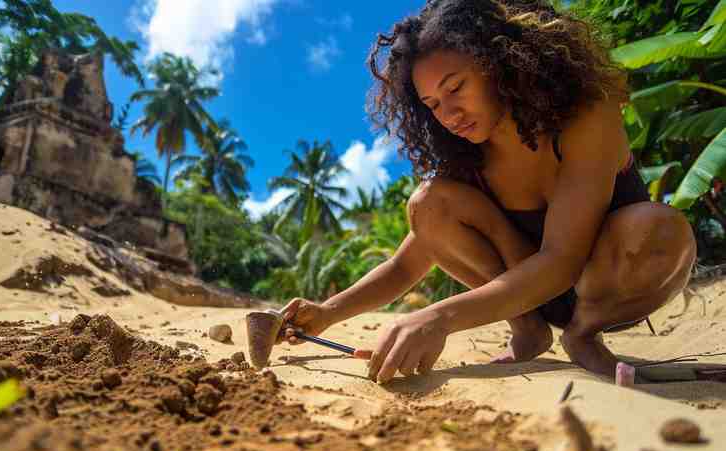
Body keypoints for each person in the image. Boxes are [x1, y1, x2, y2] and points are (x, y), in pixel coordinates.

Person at [278, 0, 697, 384]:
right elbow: (407, 267)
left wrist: (440, 318)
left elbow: (563, 259)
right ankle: (528, 330)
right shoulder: (467, 159)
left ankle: (582, 335)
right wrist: (326, 313)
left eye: (455, 88)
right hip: (526, 297)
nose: (448, 114)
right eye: (433, 104)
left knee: (660, 228)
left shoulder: (585, 117)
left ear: (499, 62)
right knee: (427, 203)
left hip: (613, 288)